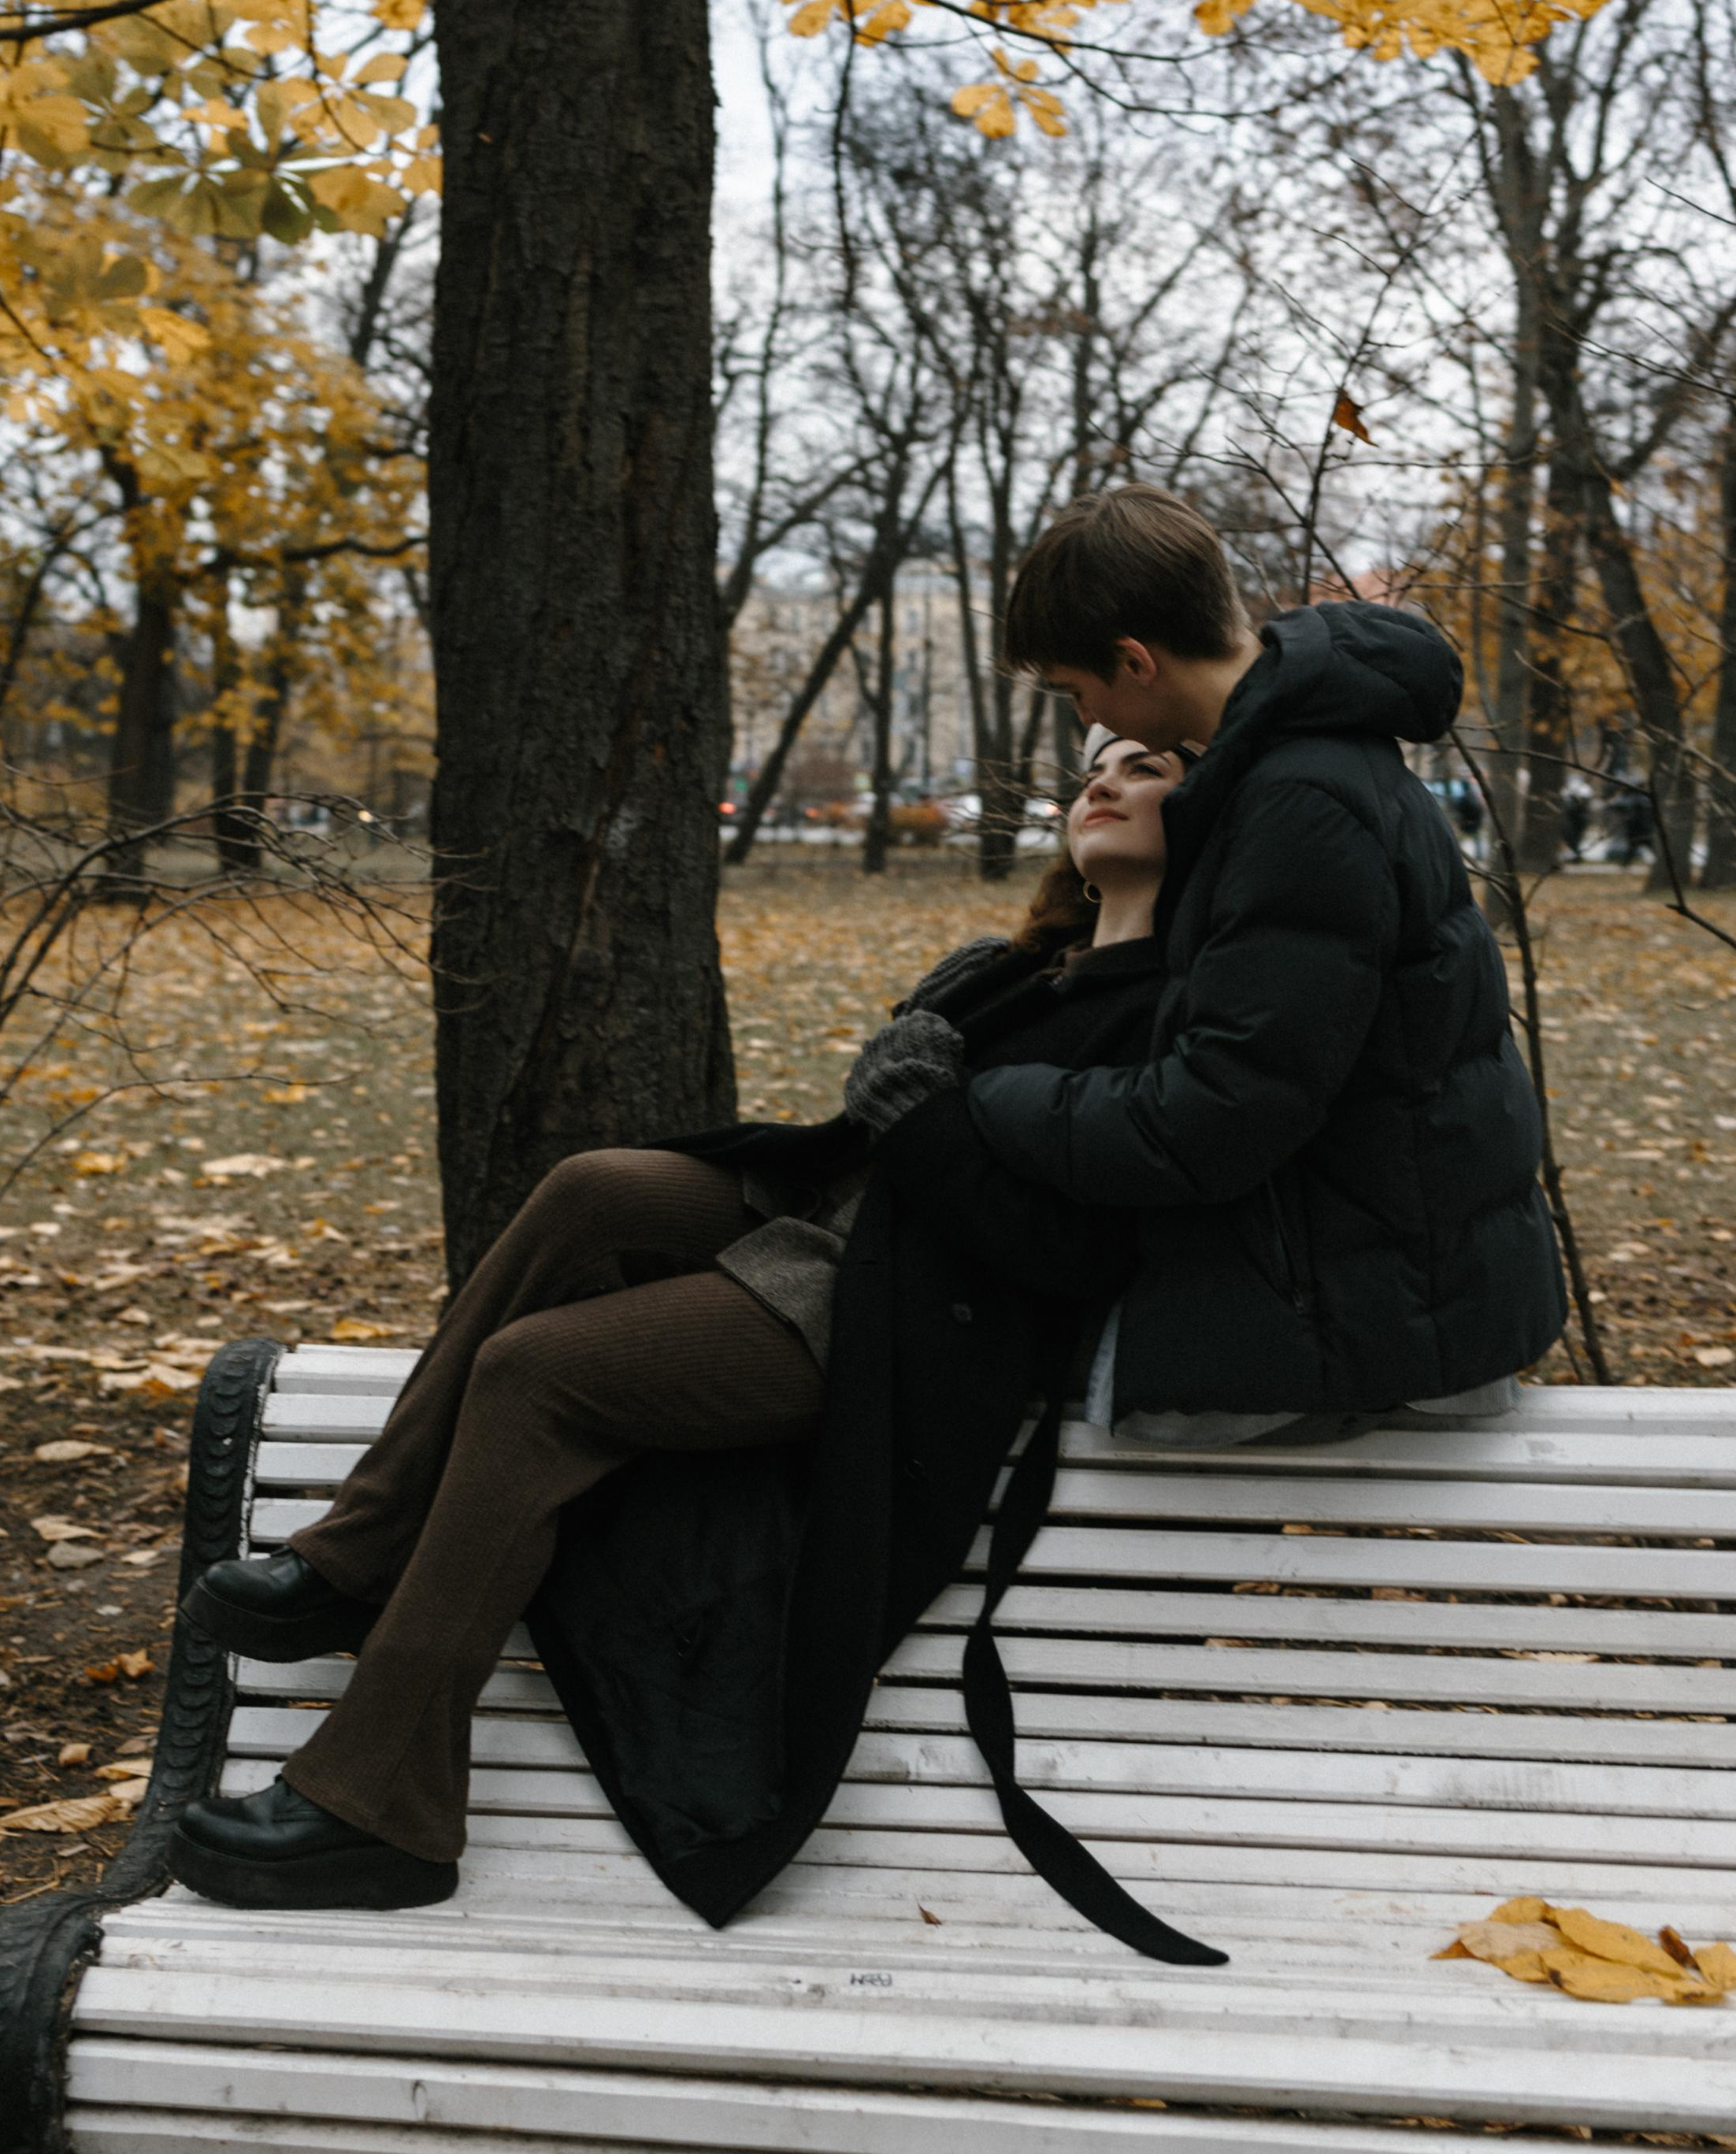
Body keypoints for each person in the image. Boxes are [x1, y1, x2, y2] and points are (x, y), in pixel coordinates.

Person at [168, 738, 1212, 1962]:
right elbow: (869, 1137)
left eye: (1144, 764)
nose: (1102, 779)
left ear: (1214, 806)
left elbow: (1062, 1245)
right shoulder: (1018, 969)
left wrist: (922, 1114)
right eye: (1090, 765)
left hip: (903, 1319)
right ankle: (360, 1552)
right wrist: (915, 1060)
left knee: (535, 1377)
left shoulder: (1173, 1010)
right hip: (831, 1229)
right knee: (592, 1188)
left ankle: (380, 1809)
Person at [895, 484, 1564, 1443]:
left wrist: (977, 1097)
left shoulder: (1300, 801)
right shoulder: (1284, 766)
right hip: (1376, 1287)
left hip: (1378, 1328)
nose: (1081, 712)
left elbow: (1210, 1117)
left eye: (1075, 688)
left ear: (1134, 660)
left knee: (935, 1367)